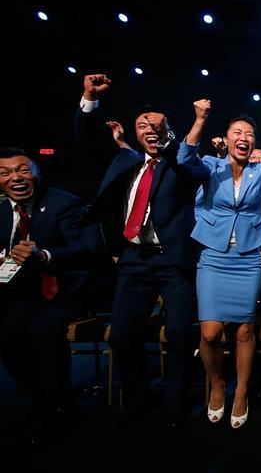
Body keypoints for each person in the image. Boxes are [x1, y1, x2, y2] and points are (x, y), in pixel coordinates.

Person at [75, 74, 201, 428]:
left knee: (178, 334)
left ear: (168, 131)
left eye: (156, 125)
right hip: (133, 260)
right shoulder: (126, 160)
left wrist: (168, 139)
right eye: (142, 125)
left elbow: (192, 169)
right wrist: (89, 99)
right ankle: (137, 397)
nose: (149, 129)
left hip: (172, 262)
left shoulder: (181, 162)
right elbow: (87, 139)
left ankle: (176, 404)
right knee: (121, 335)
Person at [177, 100, 261, 428]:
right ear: (227, 138)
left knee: (244, 330)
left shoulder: (259, 171)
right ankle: (218, 384)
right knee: (209, 333)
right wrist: (200, 120)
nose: (243, 138)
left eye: (249, 134)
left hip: (248, 259)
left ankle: (242, 392)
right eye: (237, 132)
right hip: (213, 257)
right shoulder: (212, 166)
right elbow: (184, 159)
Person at [0, 147, 94, 443]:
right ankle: (38, 401)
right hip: (24, 291)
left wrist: (43, 256)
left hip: (68, 286)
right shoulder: (2, 209)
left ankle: (61, 409)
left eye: (22, 170)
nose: (15, 177)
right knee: (7, 333)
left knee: (45, 330)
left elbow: (84, 250)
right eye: (5, 173)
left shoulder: (65, 204)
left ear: (37, 173)